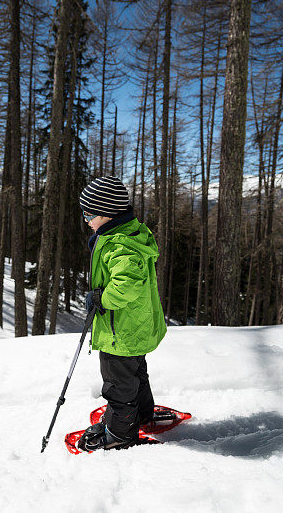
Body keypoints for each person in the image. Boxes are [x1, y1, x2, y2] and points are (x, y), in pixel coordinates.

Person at [76, 176, 167, 451]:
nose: (85, 219)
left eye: (88, 214)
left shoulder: (121, 245)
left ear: (106, 214)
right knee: (136, 375)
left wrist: (101, 298)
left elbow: (126, 285)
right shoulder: (128, 234)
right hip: (133, 327)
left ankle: (119, 433)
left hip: (121, 332)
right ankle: (141, 414)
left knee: (118, 384)